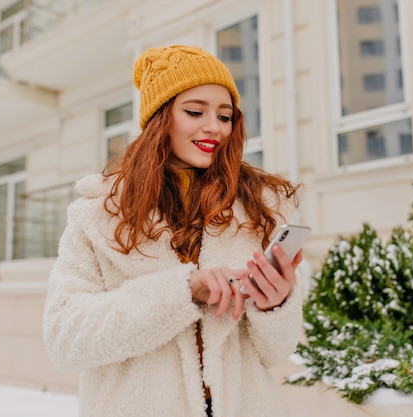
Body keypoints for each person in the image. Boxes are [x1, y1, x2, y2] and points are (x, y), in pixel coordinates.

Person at [43, 44, 304, 417]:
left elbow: (277, 352)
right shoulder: (98, 214)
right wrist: (183, 291)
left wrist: (275, 304)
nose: (214, 126)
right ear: (160, 119)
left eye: (225, 115)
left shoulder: (263, 209)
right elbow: (64, 339)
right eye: (195, 111)